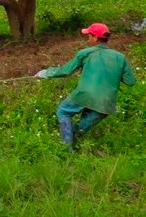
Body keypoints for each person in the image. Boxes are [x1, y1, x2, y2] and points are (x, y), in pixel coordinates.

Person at [35, 23, 137, 152]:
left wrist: (44, 73)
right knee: (81, 128)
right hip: (106, 102)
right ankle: (73, 148)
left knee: (63, 111)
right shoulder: (120, 57)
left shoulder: (85, 53)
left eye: (89, 36)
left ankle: (66, 150)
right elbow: (130, 81)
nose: (88, 38)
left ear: (95, 38)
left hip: (84, 94)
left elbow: (66, 71)